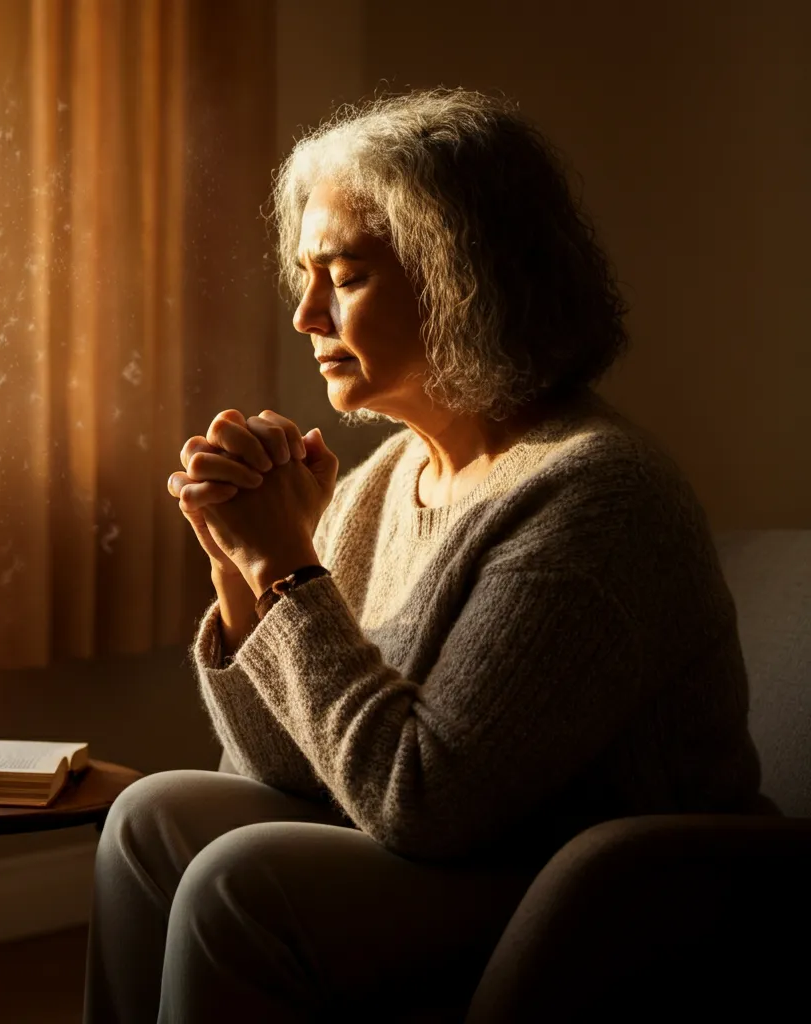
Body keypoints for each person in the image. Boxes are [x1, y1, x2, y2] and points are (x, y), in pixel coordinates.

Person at [83, 88, 763, 1023]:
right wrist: (243, 573)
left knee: (241, 881)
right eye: (303, 276)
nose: (305, 316)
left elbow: (424, 801)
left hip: (607, 904)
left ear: (465, 277)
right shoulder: (382, 481)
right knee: (151, 816)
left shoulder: (595, 494)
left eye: (345, 276)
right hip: (464, 857)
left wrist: (289, 569)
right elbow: (280, 770)